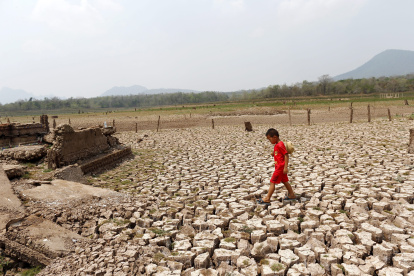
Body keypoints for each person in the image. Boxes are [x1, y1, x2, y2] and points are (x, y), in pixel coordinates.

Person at [258, 128, 296, 204]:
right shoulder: (277, 145)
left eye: (270, 139)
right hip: (279, 167)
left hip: (280, 167)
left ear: (275, 137)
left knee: (272, 182)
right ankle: (291, 195)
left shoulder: (280, 145)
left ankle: (267, 198)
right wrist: (273, 153)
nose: (269, 141)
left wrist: (285, 167)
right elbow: (279, 152)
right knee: (284, 181)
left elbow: (286, 155)